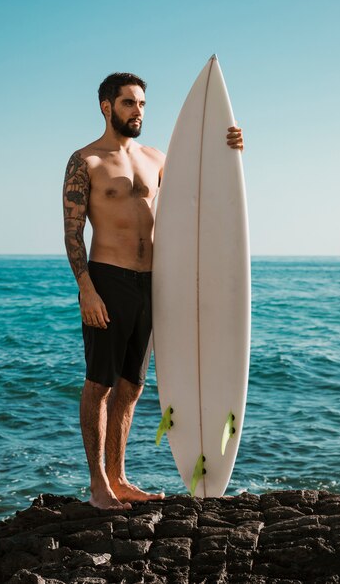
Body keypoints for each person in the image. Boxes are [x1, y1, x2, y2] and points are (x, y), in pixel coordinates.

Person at [63, 72, 244, 510]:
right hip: (108, 279)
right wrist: (86, 289)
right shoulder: (85, 161)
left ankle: (120, 477)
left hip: (153, 284)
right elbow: (72, 232)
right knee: (99, 385)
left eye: (142, 103)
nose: (137, 111)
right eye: (128, 103)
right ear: (107, 107)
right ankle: (98, 486)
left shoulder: (157, 158)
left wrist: (231, 149)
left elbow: (203, 189)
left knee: (131, 387)